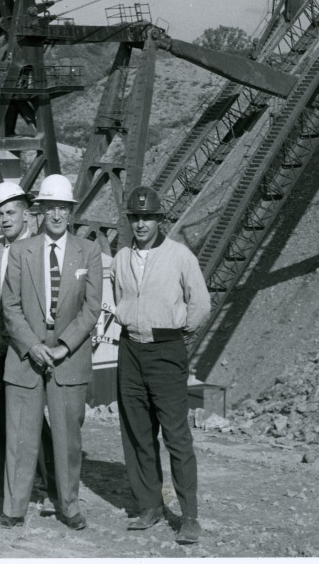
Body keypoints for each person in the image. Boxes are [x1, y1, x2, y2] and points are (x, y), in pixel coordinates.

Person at [0, 173, 102, 530]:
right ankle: (13, 509)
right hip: (27, 356)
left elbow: (92, 308)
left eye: (63, 207)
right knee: (21, 436)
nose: (56, 214)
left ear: (71, 211)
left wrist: (62, 347)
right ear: (39, 210)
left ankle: (69, 506)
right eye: (50, 207)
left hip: (68, 359)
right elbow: (10, 306)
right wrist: (32, 345)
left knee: (67, 438)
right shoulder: (19, 251)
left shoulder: (88, 251)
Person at [110, 185, 212, 545]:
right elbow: (117, 298)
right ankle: (149, 506)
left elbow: (200, 305)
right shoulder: (121, 257)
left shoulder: (180, 256)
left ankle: (189, 516)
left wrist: (177, 334)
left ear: (158, 220)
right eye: (135, 218)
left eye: (147, 217)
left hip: (166, 350)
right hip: (130, 349)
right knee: (137, 432)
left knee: (176, 435)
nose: (141, 224)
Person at [0, 181, 59, 516]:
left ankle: (56, 489)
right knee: (0, 427)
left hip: (28, 353)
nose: (5, 219)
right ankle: (8, 495)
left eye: (11, 212)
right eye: (0, 214)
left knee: (37, 424)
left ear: (26, 213)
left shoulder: (40, 249)